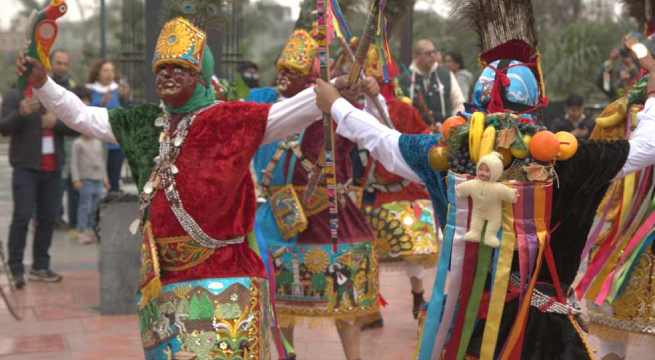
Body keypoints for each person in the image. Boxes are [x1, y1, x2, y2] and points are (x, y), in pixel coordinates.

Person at [314, 3, 655, 359]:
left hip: (465, 330)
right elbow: (647, 146)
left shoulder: (448, 155)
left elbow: (382, 141)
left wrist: (336, 105)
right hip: (545, 336)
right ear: (536, 104)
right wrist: (652, 96)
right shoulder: (567, 160)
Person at [19, 16, 365, 359]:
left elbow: (284, 114)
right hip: (162, 282)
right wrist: (44, 83)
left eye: (179, 67)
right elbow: (82, 115)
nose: (167, 73)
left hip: (224, 275)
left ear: (199, 74)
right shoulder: (141, 123)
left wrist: (334, 88)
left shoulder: (229, 120)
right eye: (161, 68)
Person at [252, 30, 384, 360]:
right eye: (281, 70)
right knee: (279, 300)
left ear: (311, 78)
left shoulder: (337, 108)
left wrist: (374, 98)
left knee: (346, 301)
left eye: (293, 73)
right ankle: (287, 355)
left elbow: (380, 134)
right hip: (280, 218)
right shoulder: (262, 103)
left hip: (330, 212)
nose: (283, 78)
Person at [0, 87, 77, 288]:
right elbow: (3, 127)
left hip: (52, 170)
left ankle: (40, 266)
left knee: (48, 218)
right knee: (22, 217)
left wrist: (56, 122)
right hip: (26, 167)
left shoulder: (56, 94)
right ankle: (16, 268)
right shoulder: (15, 94)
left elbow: (76, 124)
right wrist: (21, 112)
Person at [398, 39, 465, 129]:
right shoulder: (404, 80)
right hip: (416, 136)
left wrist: (453, 126)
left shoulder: (446, 74)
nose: (433, 56)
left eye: (434, 52)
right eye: (428, 53)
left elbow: (459, 104)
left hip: (446, 134)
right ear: (416, 56)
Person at [86, 60, 123, 194]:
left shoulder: (118, 91)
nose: (109, 74)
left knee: (114, 179)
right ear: (97, 73)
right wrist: (101, 103)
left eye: (111, 70)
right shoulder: (90, 90)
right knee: (98, 180)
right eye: (105, 70)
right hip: (97, 143)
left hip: (116, 142)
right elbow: (86, 112)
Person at [50, 49, 77, 230]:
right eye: (58, 63)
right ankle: (50, 216)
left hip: (68, 142)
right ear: (50, 63)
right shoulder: (44, 84)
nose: (62, 67)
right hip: (48, 143)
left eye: (65, 63)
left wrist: (55, 123)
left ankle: (63, 217)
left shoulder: (70, 85)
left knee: (66, 181)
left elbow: (74, 119)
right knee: (53, 182)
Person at [70, 131, 108, 245]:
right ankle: (82, 231)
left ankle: (93, 230)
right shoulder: (77, 143)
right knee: (84, 206)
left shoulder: (98, 142)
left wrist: (105, 178)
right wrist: (75, 178)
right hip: (85, 179)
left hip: (98, 179)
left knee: (96, 207)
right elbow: (74, 162)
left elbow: (102, 161)